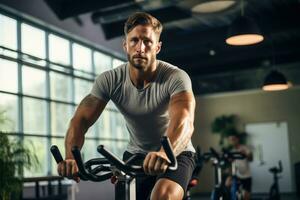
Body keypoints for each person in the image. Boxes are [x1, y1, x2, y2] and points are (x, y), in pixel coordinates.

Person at [57, 12, 196, 200]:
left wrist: (165, 153)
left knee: (161, 196)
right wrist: (70, 158)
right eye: (134, 41)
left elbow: (184, 120)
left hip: (176, 152)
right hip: (136, 153)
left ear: (157, 47)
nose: (140, 47)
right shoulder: (110, 79)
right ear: (125, 45)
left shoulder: (175, 77)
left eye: (147, 41)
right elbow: (80, 120)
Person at [226, 134, 253, 200]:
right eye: (230, 140)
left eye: (233, 139)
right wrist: (229, 176)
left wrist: (246, 154)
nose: (232, 141)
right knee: (228, 185)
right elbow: (231, 165)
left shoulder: (244, 148)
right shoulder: (232, 151)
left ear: (237, 139)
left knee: (246, 197)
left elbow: (251, 158)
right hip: (237, 175)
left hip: (246, 176)